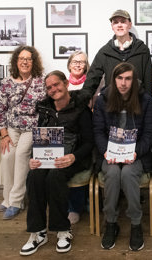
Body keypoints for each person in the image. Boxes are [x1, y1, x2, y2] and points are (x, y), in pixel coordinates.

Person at [20, 71, 94, 255]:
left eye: (57, 84)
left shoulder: (81, 109)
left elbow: (89, 142)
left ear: (66, 83)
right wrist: (34, 158)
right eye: (49, 87)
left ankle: (63, 230)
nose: (54, 89)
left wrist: (73, 157)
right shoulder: (45, 110)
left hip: (74, 158)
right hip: (49, 158)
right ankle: (37, 232)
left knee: (55, 176)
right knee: (34, 176)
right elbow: (40, 138)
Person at [93, 62, 152, 251]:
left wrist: (136, 153)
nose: (123, 83)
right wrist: (105, 151)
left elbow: (149, 135)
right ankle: (111, 223)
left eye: (128, 78)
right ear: (114, 79)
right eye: (119, 78)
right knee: (111, 173)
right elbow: (98, 132)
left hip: (136, 155)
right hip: (110, 154)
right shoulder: (103, 100)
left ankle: (136, 224)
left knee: (127, 174)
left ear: (134, 81)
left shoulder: (145, 100)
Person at [0, 46, 45, 220]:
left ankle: (16, 201)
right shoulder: (6, 83)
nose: (25, 61)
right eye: (21, 58)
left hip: (31, 128)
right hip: (12, 128)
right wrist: (4, 134)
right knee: (7, 156)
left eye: (28, 59)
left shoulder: (40, 82)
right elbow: (0, 110)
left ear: (33, 62)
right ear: (16, 61)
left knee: (21, 155)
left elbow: (45, 108)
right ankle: (7, 197)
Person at [81, 9, 152, 103]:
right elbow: (92, 79)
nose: (119, 25)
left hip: (137, 104)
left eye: (123, 22)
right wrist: (80, 101)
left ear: (129, 25)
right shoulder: (104, 52)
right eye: (115, 22)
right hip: (112, 105)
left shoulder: (142, 50)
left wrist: (148, 105)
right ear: (112, 26)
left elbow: (148, 81)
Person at [66, 51, 91, 225]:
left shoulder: (92, 84)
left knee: (89, 163)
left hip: (88, 129)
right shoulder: (62, 84)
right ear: (69, 64)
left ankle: (88, 200)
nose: (78, 65)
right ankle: (73, 206)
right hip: (69, 133)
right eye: (75, 61)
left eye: (82, 62)